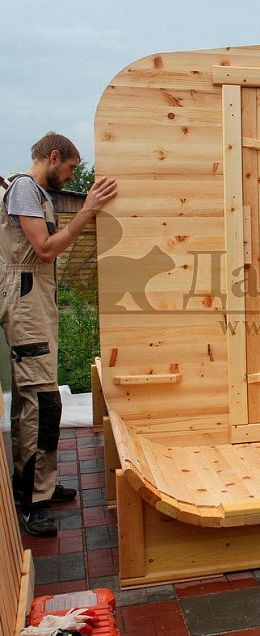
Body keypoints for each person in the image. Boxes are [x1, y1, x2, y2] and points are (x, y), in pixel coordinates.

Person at [1, 132, 117, 536]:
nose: (70, 176)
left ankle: (37, 484)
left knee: (31, 399)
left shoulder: (38, 195)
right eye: (69, 168)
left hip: (34, 299)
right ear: (53, 157)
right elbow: (46, 249)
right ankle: (33, 502)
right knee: (43, 402)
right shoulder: (24, 189)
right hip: (25, 300)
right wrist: (88, 211)